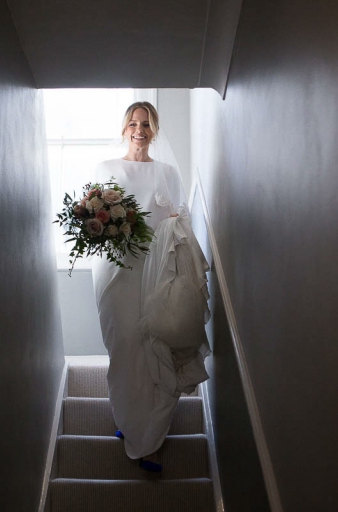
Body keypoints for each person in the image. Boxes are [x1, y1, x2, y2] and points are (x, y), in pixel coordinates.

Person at [91, 102, 208, 473]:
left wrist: (174, 221)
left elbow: (182, 216)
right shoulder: (106, 169)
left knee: (156, 347)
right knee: (124, 347)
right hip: (116, 272)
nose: (139, 129)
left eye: (146, 124)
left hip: (157, 273)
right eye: (133, 123)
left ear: (154, 129)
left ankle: (150, 439)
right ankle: (129, 419)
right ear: (124, 128)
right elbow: (93, 220)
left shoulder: (168, 172)